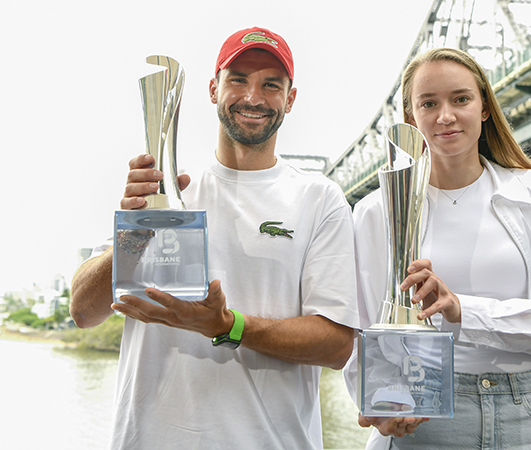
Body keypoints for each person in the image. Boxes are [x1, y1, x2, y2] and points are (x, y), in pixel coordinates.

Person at [70, 27, 359, 450]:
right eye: (238, 79)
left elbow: (336, 345)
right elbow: (83, 311)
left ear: (290, 99)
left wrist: (227, 326)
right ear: (212, 88)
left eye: (271, 85)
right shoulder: (168, 189)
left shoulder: (320, 198)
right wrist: (138, 232)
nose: (253, 97)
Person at [343, 47, 531, 450]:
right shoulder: (376, 210)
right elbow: (359, 328)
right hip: (425, 414)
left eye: (460, 99)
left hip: (529, 411)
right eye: (429, 103)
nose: (445, 116)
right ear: (412, 118)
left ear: (484, 109)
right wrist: (377, 399)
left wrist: (462, 309)